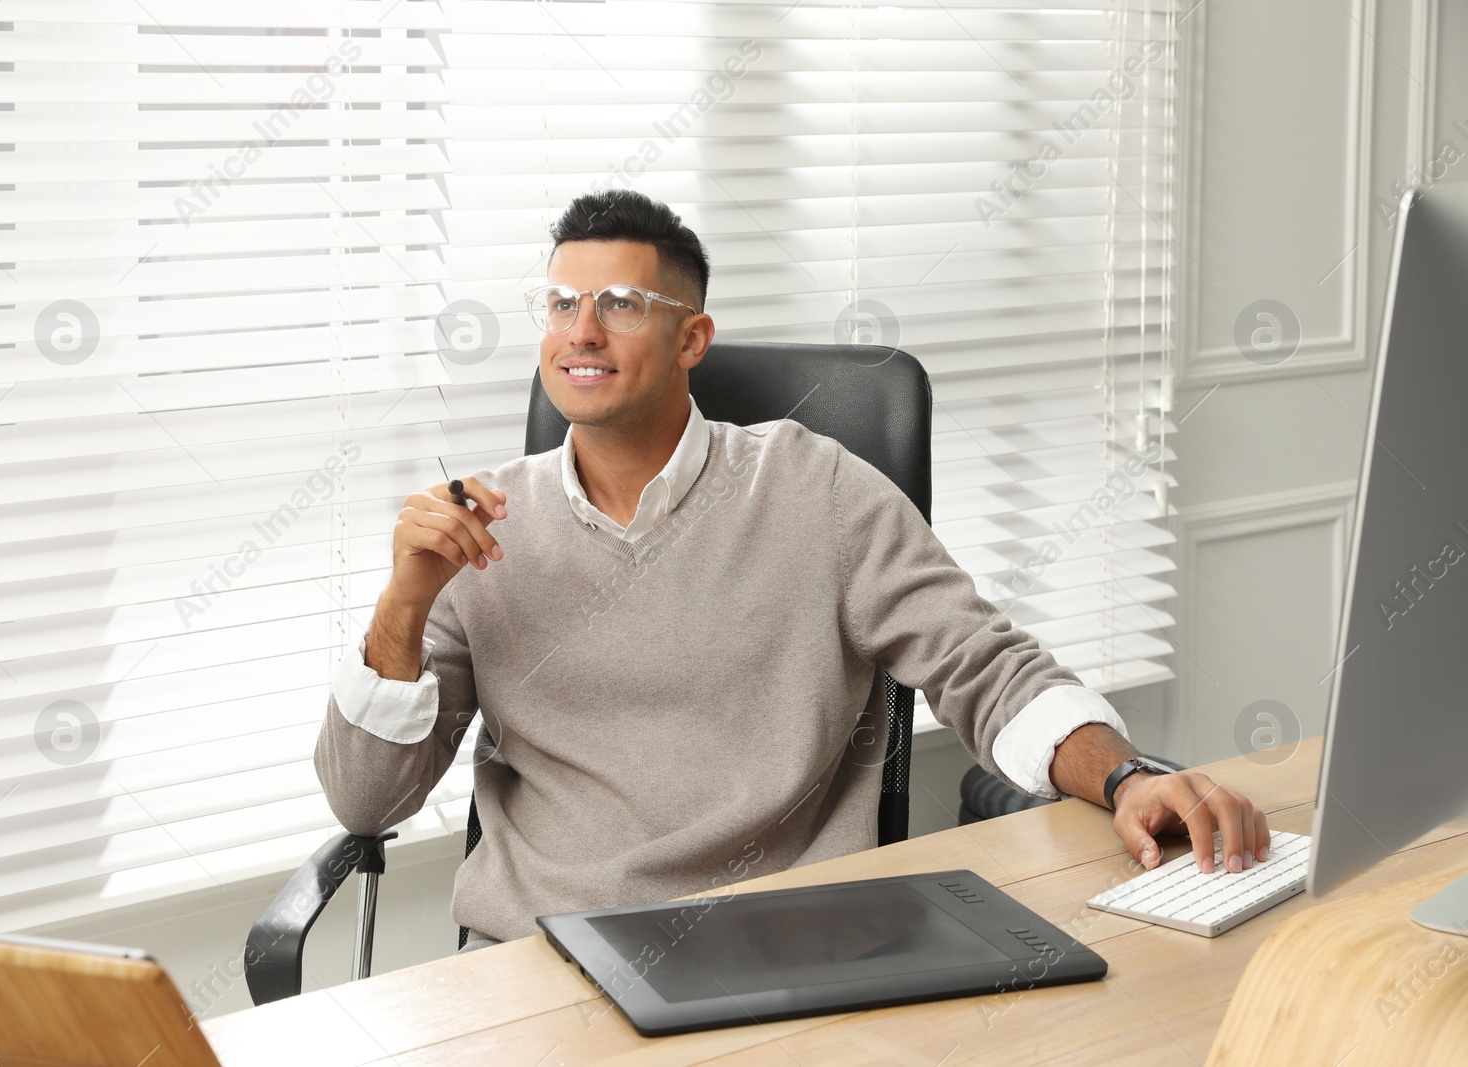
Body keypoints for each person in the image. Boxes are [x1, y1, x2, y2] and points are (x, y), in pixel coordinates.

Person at [314, 189, 1269, 952]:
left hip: (784, 943)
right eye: (562, 303)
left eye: (622, 304)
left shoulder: (816, 488)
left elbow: (984, 666)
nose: (582, 330)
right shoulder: (477, 532)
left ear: (692, 338)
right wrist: (404, 598)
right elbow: (365, 803)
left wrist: (1129, 775)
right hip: (541, 956)